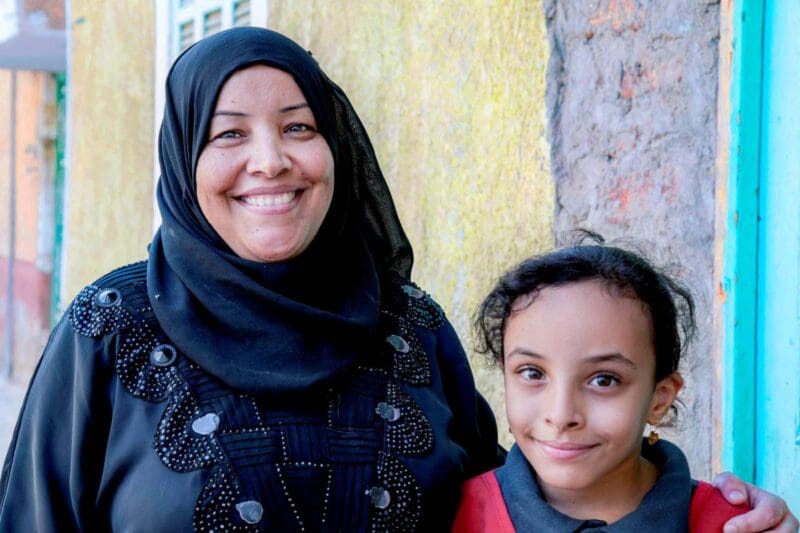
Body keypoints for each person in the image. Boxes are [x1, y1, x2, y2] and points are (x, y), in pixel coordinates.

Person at [0, 27, 792, 532]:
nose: (269, 160)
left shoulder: (409, 325)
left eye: (299, 127)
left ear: (335, 149)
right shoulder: (111, 328)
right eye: (228, 134)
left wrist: (712, 513)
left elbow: (524, 495)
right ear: (183, 162)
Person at [454, 238, 796, 532]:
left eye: (604, 380)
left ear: (659, 399)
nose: (560, 416)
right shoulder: (446, 516)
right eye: (531, 373)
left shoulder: (736, 525)